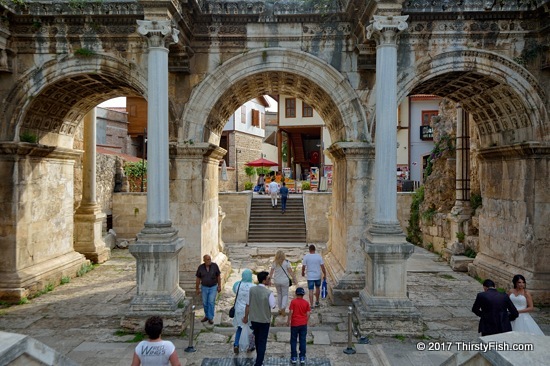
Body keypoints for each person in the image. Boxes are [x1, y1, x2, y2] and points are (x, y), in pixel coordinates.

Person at [243, 271, 275, 366]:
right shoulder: (269, 292)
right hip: (264, 320)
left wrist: (245, 317)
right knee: (262, 341)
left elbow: (247, 304)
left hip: (254, 319)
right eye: (268, 279)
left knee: (257, 339)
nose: (270, 280)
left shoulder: (252, 290)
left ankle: (258, 359)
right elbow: (273, 305)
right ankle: (259, 362)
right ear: (264, 280)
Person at [232, 269, 256, 354]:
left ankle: (236, 344)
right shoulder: (253, 287)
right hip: (249, 311)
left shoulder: (237, 285)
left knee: (239, 328)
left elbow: (234, 291)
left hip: (239, 310)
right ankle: (250, 346)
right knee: (251, 328)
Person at [269, 250, 298, 316]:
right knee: (285, 295)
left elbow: (271, 273)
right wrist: (295, 280)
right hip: (284, 281)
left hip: (277, 280)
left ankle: (279, 308)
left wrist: (269, 280)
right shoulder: (286, 262)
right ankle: (283, 309)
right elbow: (291, 272)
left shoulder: (274, 263)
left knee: (279, 294)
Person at [287, 287, 311, 365]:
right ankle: (302, 357)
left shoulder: (293, 302)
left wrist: (288, 321)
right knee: (302, 340)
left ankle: (294, 357)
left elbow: (291, 312)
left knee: (293, 340)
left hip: (294, 323)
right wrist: (305, 321)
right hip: (303, 324)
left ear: (296, 294)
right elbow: (308, 313)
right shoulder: (306, 303)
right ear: (303, 294)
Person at [195, 254, 221, 324]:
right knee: (205, 302)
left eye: (210, 259)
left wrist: (219, 286)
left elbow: (218, 276)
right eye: (207, 259)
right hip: (204, 287)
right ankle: (207, 315)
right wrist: (197, 288)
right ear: (204, 260)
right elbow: (198, 278)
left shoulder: (214, 266)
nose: (209, 261)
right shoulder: (200, 267)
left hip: (213, 287)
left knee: (211, 302)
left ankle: (210, 317)